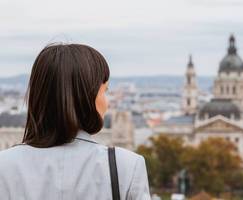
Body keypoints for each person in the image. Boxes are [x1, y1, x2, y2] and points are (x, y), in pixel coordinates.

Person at [0, 43, 151, 200]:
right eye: (104, 92)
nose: (107, 103)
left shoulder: (4, 165)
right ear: (86, 97)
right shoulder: (126, 166)